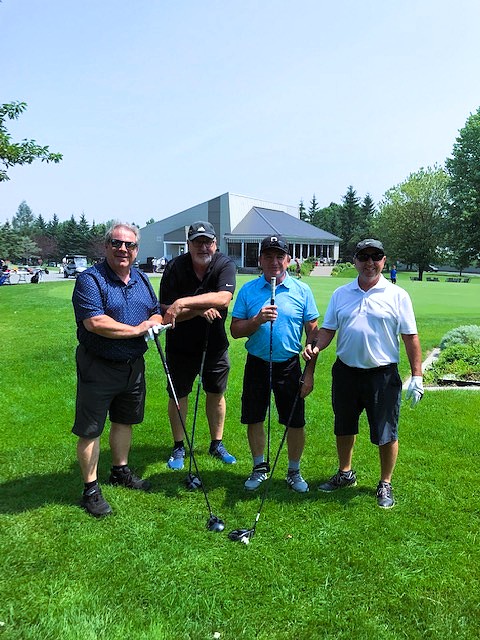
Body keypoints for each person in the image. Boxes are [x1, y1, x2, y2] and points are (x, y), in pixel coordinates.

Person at [303, 239, 423, 508]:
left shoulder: (397, 295)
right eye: (363, 257)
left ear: (384, 260)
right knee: (343, 425)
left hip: (382, 375)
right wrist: (316, 346)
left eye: (375, 257)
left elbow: (410, 337)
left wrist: (417, 376)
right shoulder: (341, 294)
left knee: (386, 430)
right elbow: (328, 329)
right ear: (355, 261)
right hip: (346, 372)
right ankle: (345, 473)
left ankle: (385, 482)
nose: (370, 262)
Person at [72, 222, 163, 517]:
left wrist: (154, 321)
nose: (123, 249)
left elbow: (155, 310)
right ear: (106, 246)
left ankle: (119, 471)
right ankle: (90, 489)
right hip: (99, 365)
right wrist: (138, 330)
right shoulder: (90, 279)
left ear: (137, 250)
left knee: (124, 421)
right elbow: (95, 322)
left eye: (129, 245)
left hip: (133, 366)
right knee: (91, 430)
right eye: (116, 243)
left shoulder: (141, 278)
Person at [230, 235, 318, 493]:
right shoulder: (248, 290)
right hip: (257, 363)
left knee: (294, 421)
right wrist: (256, 320)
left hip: (289, 365)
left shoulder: (302, 291)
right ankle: (259, 468)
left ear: (288, 260)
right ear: (260, 260)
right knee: (254, 417)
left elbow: (313, 333)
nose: (274, 262)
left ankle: (294, 471)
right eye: (268, 256)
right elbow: (235, 330)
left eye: (279, 256)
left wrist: (309, 372)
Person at [159, 221, 237, 470]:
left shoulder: (224, 264)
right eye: (197, 242)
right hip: (180, 345)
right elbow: (166, 312)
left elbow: (223, 299)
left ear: (215, 243)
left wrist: (184, 303)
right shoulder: (174, 267)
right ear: (188, 245)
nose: (203, 247)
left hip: (215, 345)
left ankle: (217, 444)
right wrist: (199, 310)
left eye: (208, 242)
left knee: (216, 393)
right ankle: (178, 446)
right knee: (178, 395)